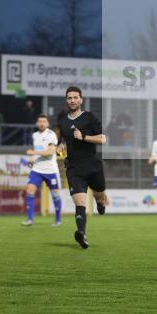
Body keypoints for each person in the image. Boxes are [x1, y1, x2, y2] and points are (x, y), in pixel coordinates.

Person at [56, 86, 108, 249]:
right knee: (80, 202)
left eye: (75, 97)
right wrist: (61, 146)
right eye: (69, 98)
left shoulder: (90, 117)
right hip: (74, 167)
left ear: (81, 100)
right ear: (66, 100)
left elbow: (103, 139)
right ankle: (81, 234)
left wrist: (83, 137)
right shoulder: (62, 121)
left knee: (99, 196)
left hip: (92, 165)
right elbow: (63, 140)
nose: (72, 100)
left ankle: (100, 204)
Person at [22, 114, 63, 227]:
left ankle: (58, 220)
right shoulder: (35, 135)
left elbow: (50, 152)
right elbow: (38, 150)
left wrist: (33, 153)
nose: (41, 123)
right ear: (37, 123)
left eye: (44, 121)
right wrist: (32, 159)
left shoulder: (51, 135)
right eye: (40, 121)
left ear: (47, 123)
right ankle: (30, 219)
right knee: (30, 191)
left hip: (50, 171)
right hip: (37, 170)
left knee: (55, 195)